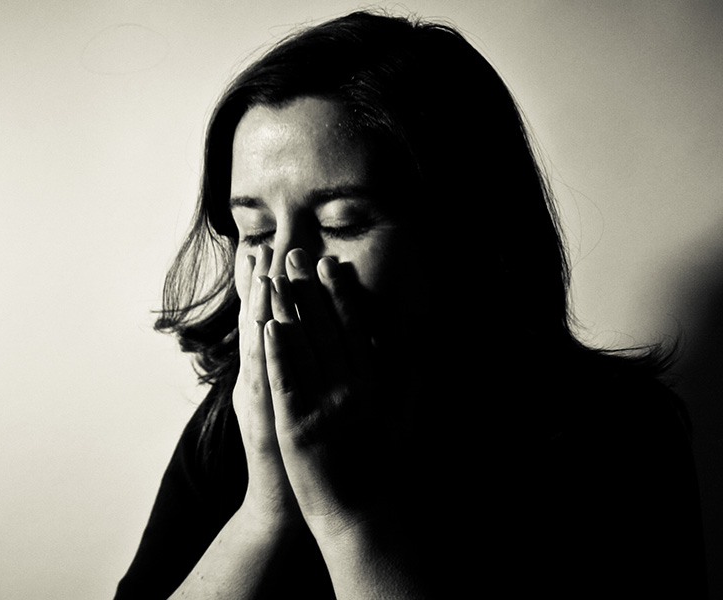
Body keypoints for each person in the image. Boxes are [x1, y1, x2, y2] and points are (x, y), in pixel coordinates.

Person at [115, 11, 706, 599]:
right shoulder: (233, 423)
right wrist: (266, 510)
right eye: (257, 232)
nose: (283, 270)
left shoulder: (615, 437)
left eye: (340, 224)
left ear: (461, 234)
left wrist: (348, 516)